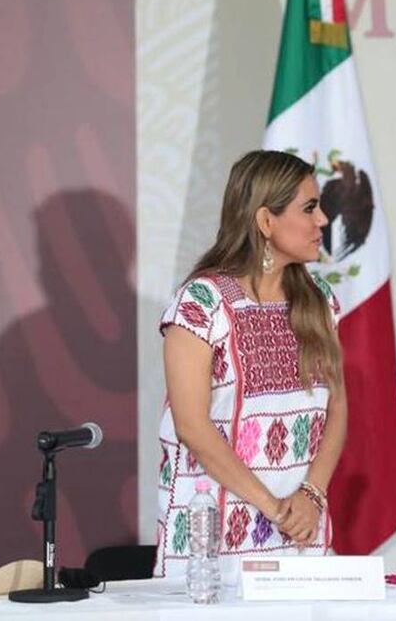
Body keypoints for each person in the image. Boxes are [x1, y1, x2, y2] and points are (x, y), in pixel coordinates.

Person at [154, 150, 347, 578]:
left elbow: (338, 409)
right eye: (310, 208)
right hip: (212, 541)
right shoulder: (201, 303)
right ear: (265, 221)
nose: (323, 221)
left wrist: (311, 496)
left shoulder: (318, 298)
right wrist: (274, 508)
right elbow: (192, 427)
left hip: (301, 530)